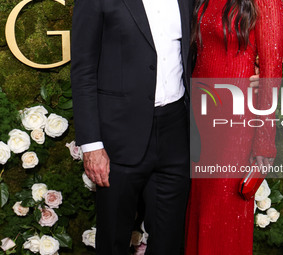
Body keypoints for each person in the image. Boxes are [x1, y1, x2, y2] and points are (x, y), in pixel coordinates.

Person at [71, 0, 260, 254]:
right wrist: (92, 145)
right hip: (119, 135)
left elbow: (208, 42)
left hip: (176, 131)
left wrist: (252, 67)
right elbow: (83, 70)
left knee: (170, 240)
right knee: (113, 238)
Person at [185, 0, 283, 254]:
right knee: (197, 209)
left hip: (234, 123)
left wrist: (264, 141)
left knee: (219, 212)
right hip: (200, 119)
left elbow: (271, 73)